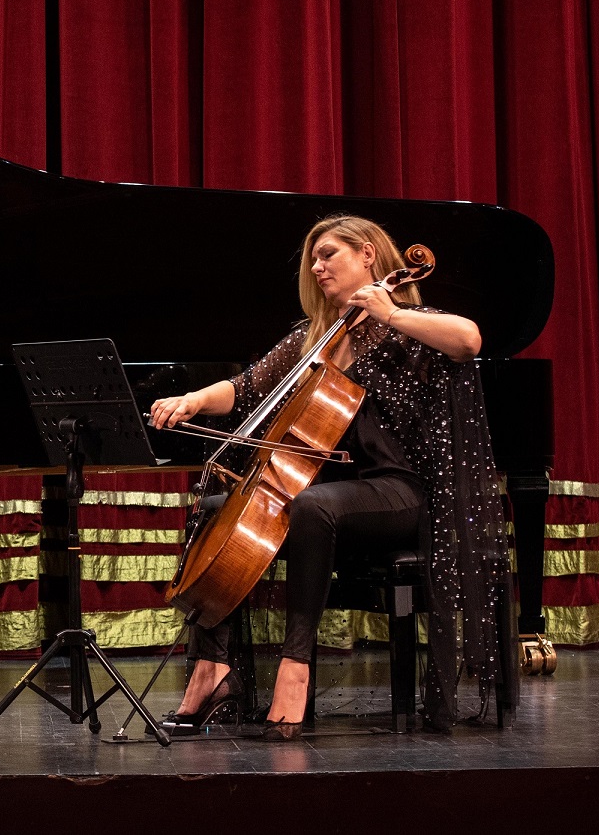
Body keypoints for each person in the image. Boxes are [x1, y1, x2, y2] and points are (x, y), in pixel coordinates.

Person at [148, 215, 510, 737]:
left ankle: (295, 668)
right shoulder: (314, 337)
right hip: (330, 494)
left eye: (328, 255)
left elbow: (468, 339)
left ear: (367, 254)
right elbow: (246, 388)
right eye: (313, 260)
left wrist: (391, 312)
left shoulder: (410, 324)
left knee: (313, 506)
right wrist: (194, 400)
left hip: (402, 493)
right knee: (214, 508)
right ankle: (213, 669)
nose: (317, 267)